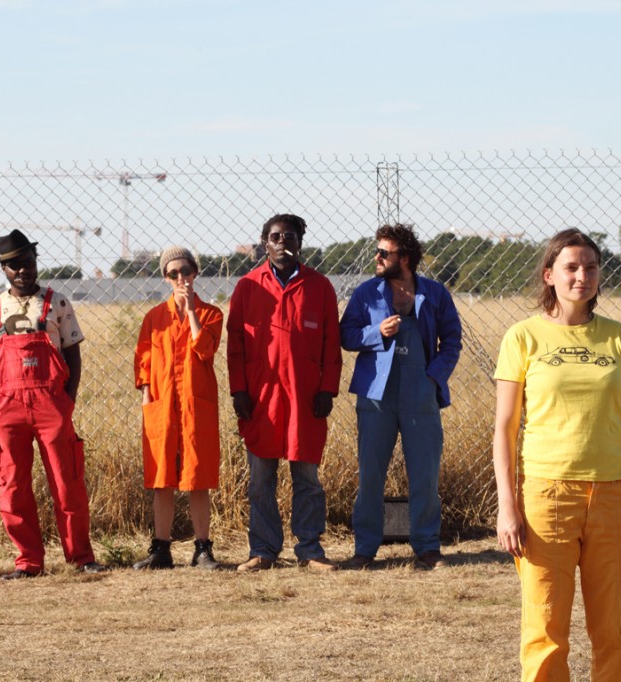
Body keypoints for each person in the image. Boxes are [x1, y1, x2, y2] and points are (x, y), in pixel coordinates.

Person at [492, 228, 621, 681]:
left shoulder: (620, 339)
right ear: (549, 275)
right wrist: (509, 507)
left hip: (613, 498)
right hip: (547, 499)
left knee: (614, 629)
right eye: (570, 267)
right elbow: (505, 429)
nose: (581, 275)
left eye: (590, 267)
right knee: (545, 631)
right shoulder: (522, 338)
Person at [0, 229, 107, 579]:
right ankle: (28, 561)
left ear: (36, 262)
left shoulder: (57, 302)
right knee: (13, 484)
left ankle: (81, 557)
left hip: (52, 404)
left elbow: (72, 354)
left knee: (67, 481)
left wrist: (68, 399)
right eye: (14, 266)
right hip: (7, 406)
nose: (22, 271)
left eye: (28, 263)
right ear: (4, 270)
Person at [339, 224, 462, 570]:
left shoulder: (435, 294)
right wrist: (375, 332)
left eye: (384, 253)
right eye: (377, 251)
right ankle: (365, 548)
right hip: (376, 395)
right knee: (371, 473)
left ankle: (427, 546)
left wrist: (433, 376)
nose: (376, 258)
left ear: (404, 258)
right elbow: (345, 335)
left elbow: (452, 341)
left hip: (421, 392)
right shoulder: (366, 294)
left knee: (424, 472)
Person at [226, 213, 343, 572]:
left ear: (299, 244)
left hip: (306, 399)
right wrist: (238, 391)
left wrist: (328, 389)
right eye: (275, 237)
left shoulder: (319, 286)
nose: (282, 243)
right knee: (261, 479)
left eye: (289, 237)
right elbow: (235, 345)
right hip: (262, 399)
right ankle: (262, 550)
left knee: (307, 478)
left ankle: (309, 550)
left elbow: (330, 344)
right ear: (265, 243)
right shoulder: (248, 287)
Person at [133, 247, 223, 570]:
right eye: (173, 273)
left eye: (186, 271)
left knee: (197, 477)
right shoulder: (154, 318)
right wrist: (147, 399)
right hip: (162, 407)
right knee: (162, 478)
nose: (181, 278)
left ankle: (202, 549)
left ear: (195, 272)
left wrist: (192, 313)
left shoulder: (212, 314)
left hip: (196, 407)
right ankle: (161, 549)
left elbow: (205, 349)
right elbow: (143, 362)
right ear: (165, 277)